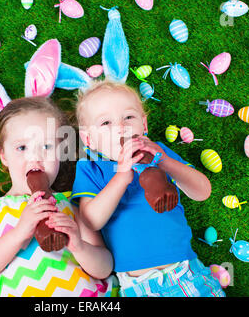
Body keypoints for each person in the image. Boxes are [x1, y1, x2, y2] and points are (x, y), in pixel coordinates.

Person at [71, 80, 225, 297]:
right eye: (106, 123)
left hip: (186, 273)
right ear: (89, 139)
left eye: (129, 117)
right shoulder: (91, 169)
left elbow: (202, 192)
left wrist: (164, 162)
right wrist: (122, 176)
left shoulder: (159, 153)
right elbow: (92, 220)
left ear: (143, 125)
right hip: (138, 287)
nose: (121, 127)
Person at [0, 96, 117, 297]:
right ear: (4, 155)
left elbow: (105, 267)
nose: (34, 157)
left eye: (47, 147)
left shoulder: (70, 206)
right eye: (22, 148)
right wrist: (20, 232)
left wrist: (79, 247)